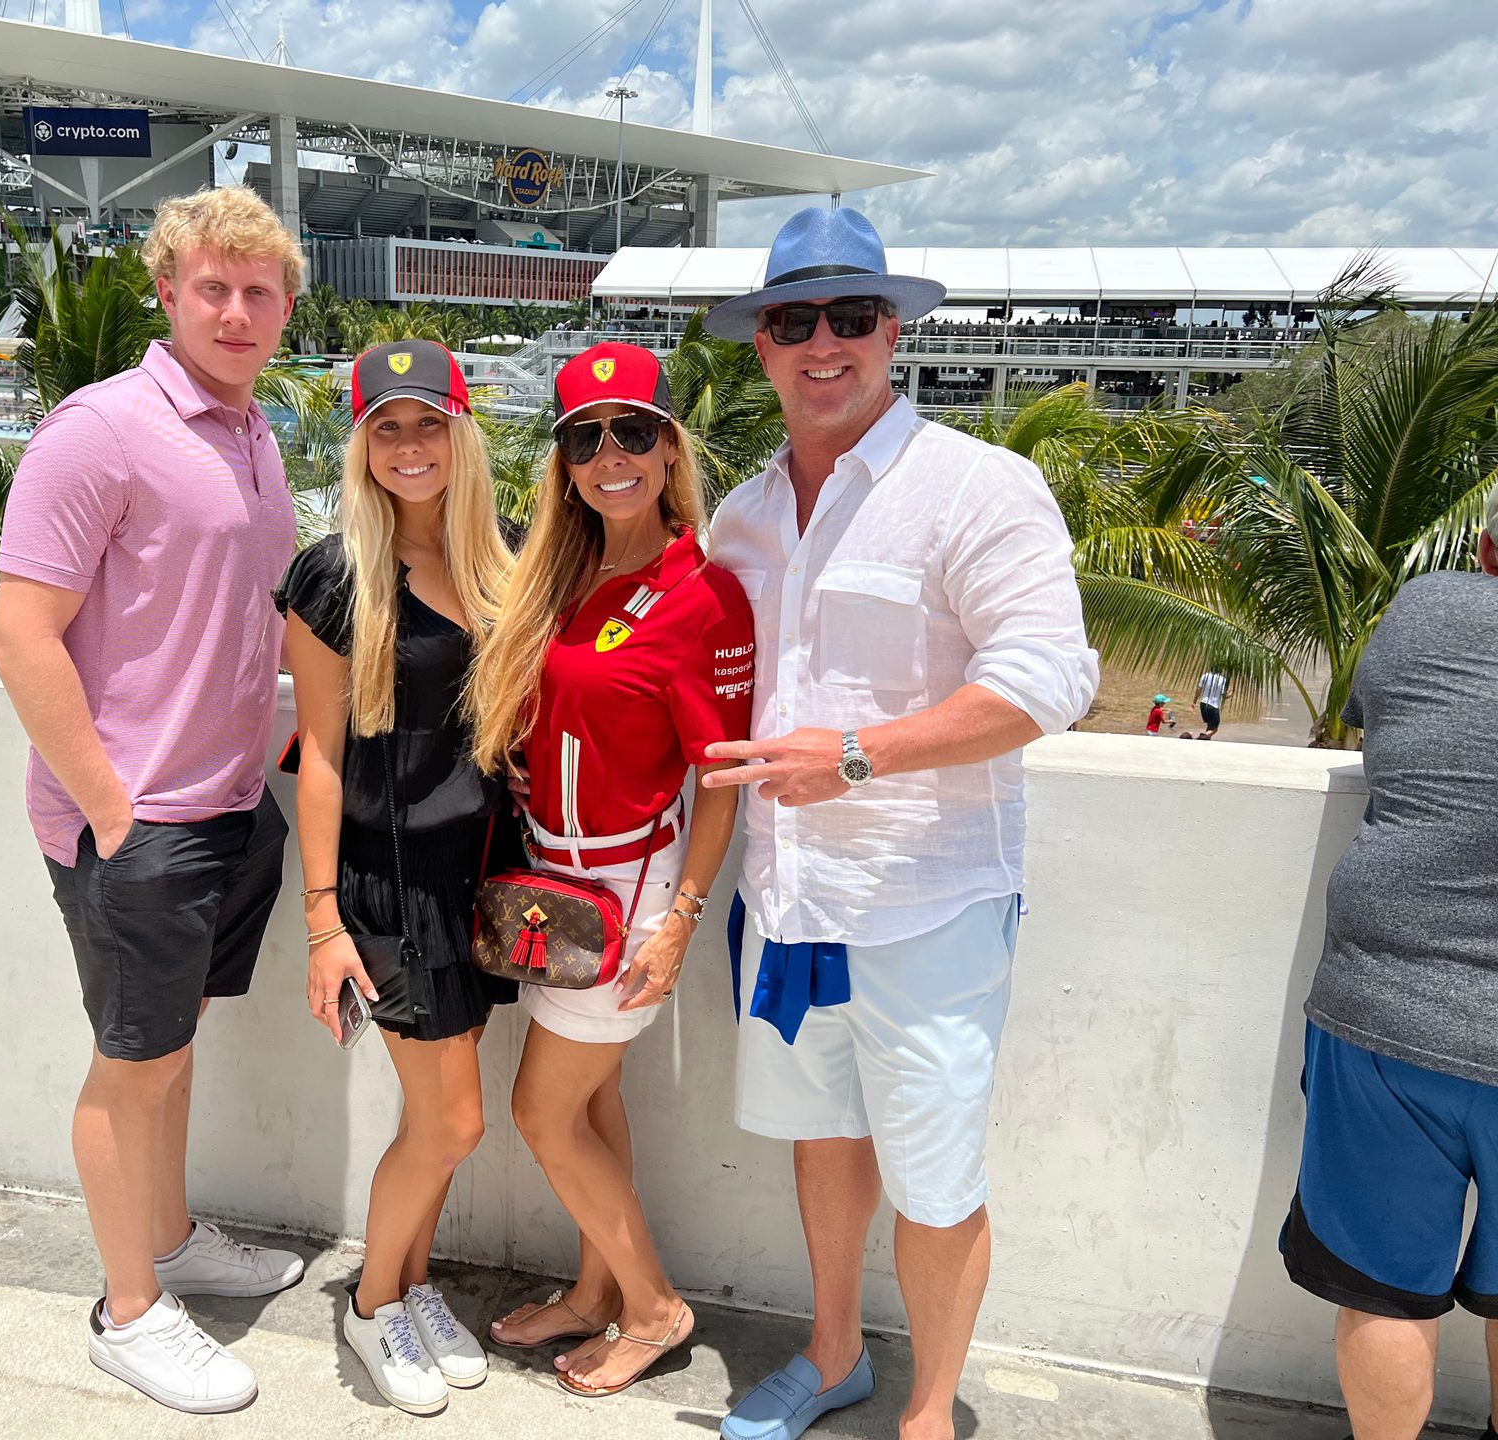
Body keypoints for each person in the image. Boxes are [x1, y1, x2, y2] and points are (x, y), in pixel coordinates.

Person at [699, 206, 1098, 1440]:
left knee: (935, 1177)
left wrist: (861, 755)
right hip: (791, 897)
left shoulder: (979, 485)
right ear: (760, 347)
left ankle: (931, 1413)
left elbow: (1049, 679)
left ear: (894, 331)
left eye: (852, 317)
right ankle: (832, 1357)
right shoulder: (743, 515)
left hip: (926, 907)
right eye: (794, 321)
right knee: (823, 1137)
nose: (825, 344)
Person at [0, 186, 305, 1416]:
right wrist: (113, 812)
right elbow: (22, 636)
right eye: (212, 288)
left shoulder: (255, 434)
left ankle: (169, 1240)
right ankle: (130, 1311)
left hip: (229, 808)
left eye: (259, 291)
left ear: (285, 307)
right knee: (130, 1066)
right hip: (137, 821)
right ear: (167, 294)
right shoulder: (100, 429)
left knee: (172, 1052)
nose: (236, 310)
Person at [469, 342, 755, 1398]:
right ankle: (595, 1291)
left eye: (633, 431)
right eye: (584, 439)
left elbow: (720, 778)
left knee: (543, 1113)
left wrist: (683, 915)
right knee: (591, 1106)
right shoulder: (561, 567)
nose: (609, 456)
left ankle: (653, 1306)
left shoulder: (703, 592)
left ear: (670, 447)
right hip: (555, 875)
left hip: (631, 888)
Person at [275, 340, 516, 1417]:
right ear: (362, 444)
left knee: (439, 1120)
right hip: (389, 884)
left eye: (429, 424)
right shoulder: (334, 575)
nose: (409, 447)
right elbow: (319, 755)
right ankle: (374, 1304)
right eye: (388, 427)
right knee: (453, 1123)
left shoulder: (507, 559)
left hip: (480, 882)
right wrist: (323, 921)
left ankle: (412, 1281)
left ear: (462, 435)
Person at [1279, 491, 1498, 1440]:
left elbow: (1371, 716)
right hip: (1403, 1004)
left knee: (1385, 1293)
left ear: (1486, 546)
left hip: (1392, 1008)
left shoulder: (1430, 607)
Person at [1194, 669, 1228, 738]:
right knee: (1214, 729)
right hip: (1213, 706)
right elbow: (1224, 695)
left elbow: (1199, 689)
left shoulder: (1205, 676)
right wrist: (1231, 693)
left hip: (1203, 704)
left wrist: (1194, 701)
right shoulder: (1222, 679)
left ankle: (1205, 739)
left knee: (1210, 726)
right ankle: (1201, 738)